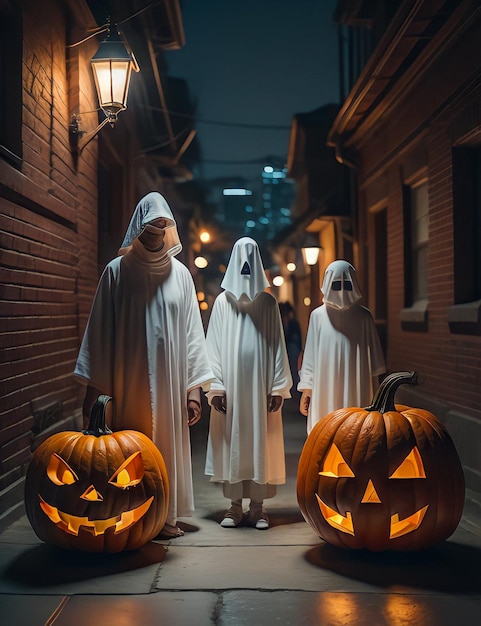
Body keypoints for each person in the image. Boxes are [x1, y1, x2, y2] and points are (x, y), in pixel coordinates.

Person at [74, 192, 214, 538]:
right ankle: (127, 513)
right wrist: (93, 391)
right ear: (138, 228)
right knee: (125, 454)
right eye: (150, 228)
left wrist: (193, 390)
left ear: (169, 231)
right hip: (126, 382)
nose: (156, 234)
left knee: (164, 447)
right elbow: (100, 333)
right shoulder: (116, 272)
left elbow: (192, 335)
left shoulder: (181, 276)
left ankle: (163, 517)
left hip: (169, 385)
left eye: (162, 228)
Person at [205, 237, 292, 530]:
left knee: (259, 444)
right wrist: (216, 385)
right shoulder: (222, 302)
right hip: (231, 387)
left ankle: (258, 508)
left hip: (259, 388)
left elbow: (277, 344)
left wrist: (278, 387)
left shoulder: (267, 303)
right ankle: (233, 507)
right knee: (234, 443)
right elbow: (213, 346)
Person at [298, 259, 386, 433]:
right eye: (337, 285)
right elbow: (310, 357)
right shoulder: (318, 316)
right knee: (324, 431)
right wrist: (307, 390)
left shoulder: (363, 317)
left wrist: (377, 393)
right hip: (324, 384)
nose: (341, 291)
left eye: (346, 285)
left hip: (357, 383)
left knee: (356, 431)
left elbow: (375, 363)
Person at [278, 301, 303, 395]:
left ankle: (293, 388)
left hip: (292, 350)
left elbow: (297, 339)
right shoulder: (280, 322)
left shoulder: (293, 323)